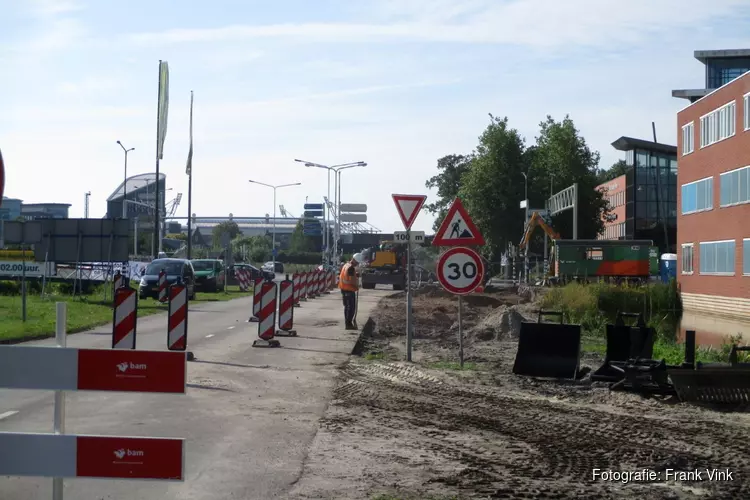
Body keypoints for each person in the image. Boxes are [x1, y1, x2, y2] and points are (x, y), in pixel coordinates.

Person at [338, 257, 359, 330]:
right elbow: (352, 281)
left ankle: (348, 323)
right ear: (355, 261)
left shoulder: (346, 265)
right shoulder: (351, 268)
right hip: (348, 290)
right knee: (350, 308)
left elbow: (347, 277)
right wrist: (357, 285)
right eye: (357, 263)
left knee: (347, 307)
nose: (357, 264)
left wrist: (355, 275)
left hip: (344, 289)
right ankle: (348, 324)